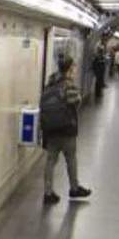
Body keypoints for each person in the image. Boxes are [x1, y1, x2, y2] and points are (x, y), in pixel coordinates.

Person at [39, 57, 91, 204]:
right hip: (66, 129)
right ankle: (74, 189)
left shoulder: (50, 83)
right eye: (73, 67)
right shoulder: (69, 85)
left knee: (50, 160)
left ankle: (48, 193)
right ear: (69, 68)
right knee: (71, 158)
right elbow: (75, 102)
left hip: (50, 129)